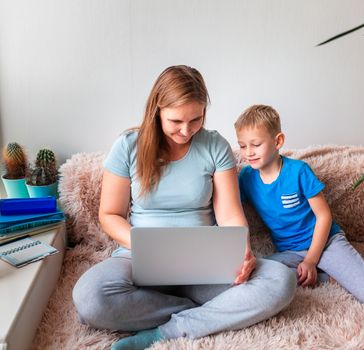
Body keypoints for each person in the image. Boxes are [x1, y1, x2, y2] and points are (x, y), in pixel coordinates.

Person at [72, 67, 296, 350]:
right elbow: (110, 215)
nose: (186, 130)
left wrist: (242, 246)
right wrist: (147, 245)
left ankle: (169, 330)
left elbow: (228, 213)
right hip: (139, 255)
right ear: (157, 110)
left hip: (204, 260)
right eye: (176, 121)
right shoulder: (128, 146)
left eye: (196, 119)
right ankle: (205, 312)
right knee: (90, 299)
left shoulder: (214, 145)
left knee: (280, 281)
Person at [234, 104, 364, 303]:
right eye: (243, 146)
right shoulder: (246, 177)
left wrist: (311, 260)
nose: (248, 153)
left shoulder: (298, 171)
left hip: (325, 243)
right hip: (289, 252)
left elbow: (324, 216)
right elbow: (229, 206)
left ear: (278, 141)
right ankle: (329, 276)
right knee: (251, 278)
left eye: (256, 144)